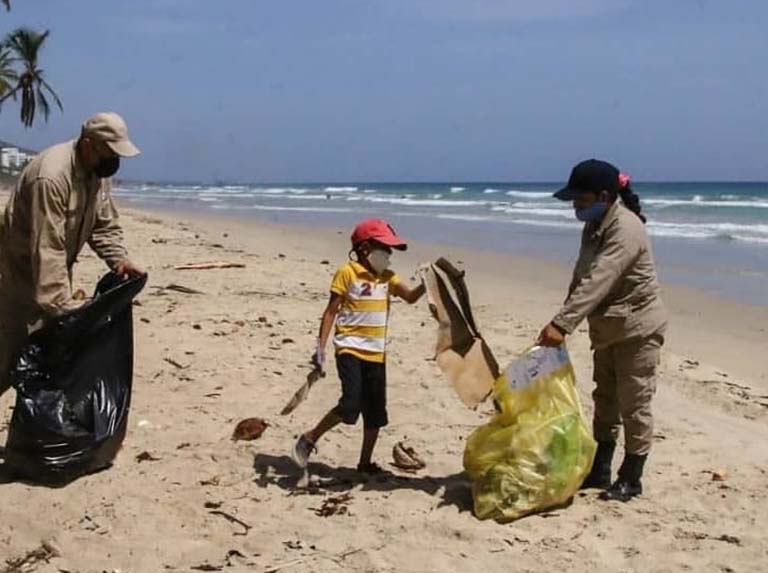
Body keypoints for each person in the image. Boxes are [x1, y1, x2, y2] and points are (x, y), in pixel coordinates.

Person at [537, 159, 667, 502]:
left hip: (637, 329)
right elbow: (581, 277)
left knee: (634, 403)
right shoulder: (594, 226)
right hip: (607, 329)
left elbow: (600, 278)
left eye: (580, 199)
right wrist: (560, 320)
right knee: (604, 399)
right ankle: (600, 470)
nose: (575, 206)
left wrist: (563, 324)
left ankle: (632, 476)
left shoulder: (626, 229)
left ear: (604, 196)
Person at [0, 111, 145, 397]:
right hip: (17, 274)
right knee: (7, 359)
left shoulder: (96, 173)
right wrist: (61, 306)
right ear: (89, 144)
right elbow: (48, 245)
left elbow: (103, 224)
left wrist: (118, 259)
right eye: (109, 152)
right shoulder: (51, 177)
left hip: (51, 272)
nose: (114, 160)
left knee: (45, 360)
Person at [292, 218, 425, 475]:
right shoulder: (348, 273)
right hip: (349, 348)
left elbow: (410, 297)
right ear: (364, 248)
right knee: (351, 404)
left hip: (376, 352)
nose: (387, 254)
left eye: (390, 250)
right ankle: (309, 438)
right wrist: (320, 349)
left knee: (375, 412)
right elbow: (331, 311)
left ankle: (364, 463)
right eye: (383, 248)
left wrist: (430, 282)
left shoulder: (388, 277)